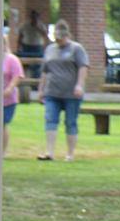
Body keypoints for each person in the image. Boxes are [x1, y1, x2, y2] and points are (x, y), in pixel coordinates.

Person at [38, 20, 89, 161]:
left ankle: (70, 154)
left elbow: (83, 67)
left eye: (61, 37)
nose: (58, 40)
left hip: (71, 94)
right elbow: (44, 71)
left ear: (67, 35)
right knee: (50, 120)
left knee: (70, 122)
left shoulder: (77, 49)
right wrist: (41, 89)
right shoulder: (50, 49)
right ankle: (49, 152)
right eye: (56, 37)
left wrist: (79, 85)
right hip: (52, 92)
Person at [16, 9, 49, 74]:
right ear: (30, 17)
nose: (34, 18)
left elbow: (45, 35)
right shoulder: (24, 25)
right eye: (32, 17)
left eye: (35, 17)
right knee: (25, 64)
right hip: (26, 46)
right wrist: (18, 47)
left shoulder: (41, 25)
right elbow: (20, 37)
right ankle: (25, 79)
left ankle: (35, 79)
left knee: (37, 64)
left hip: (37, 47)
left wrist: (37, 27)